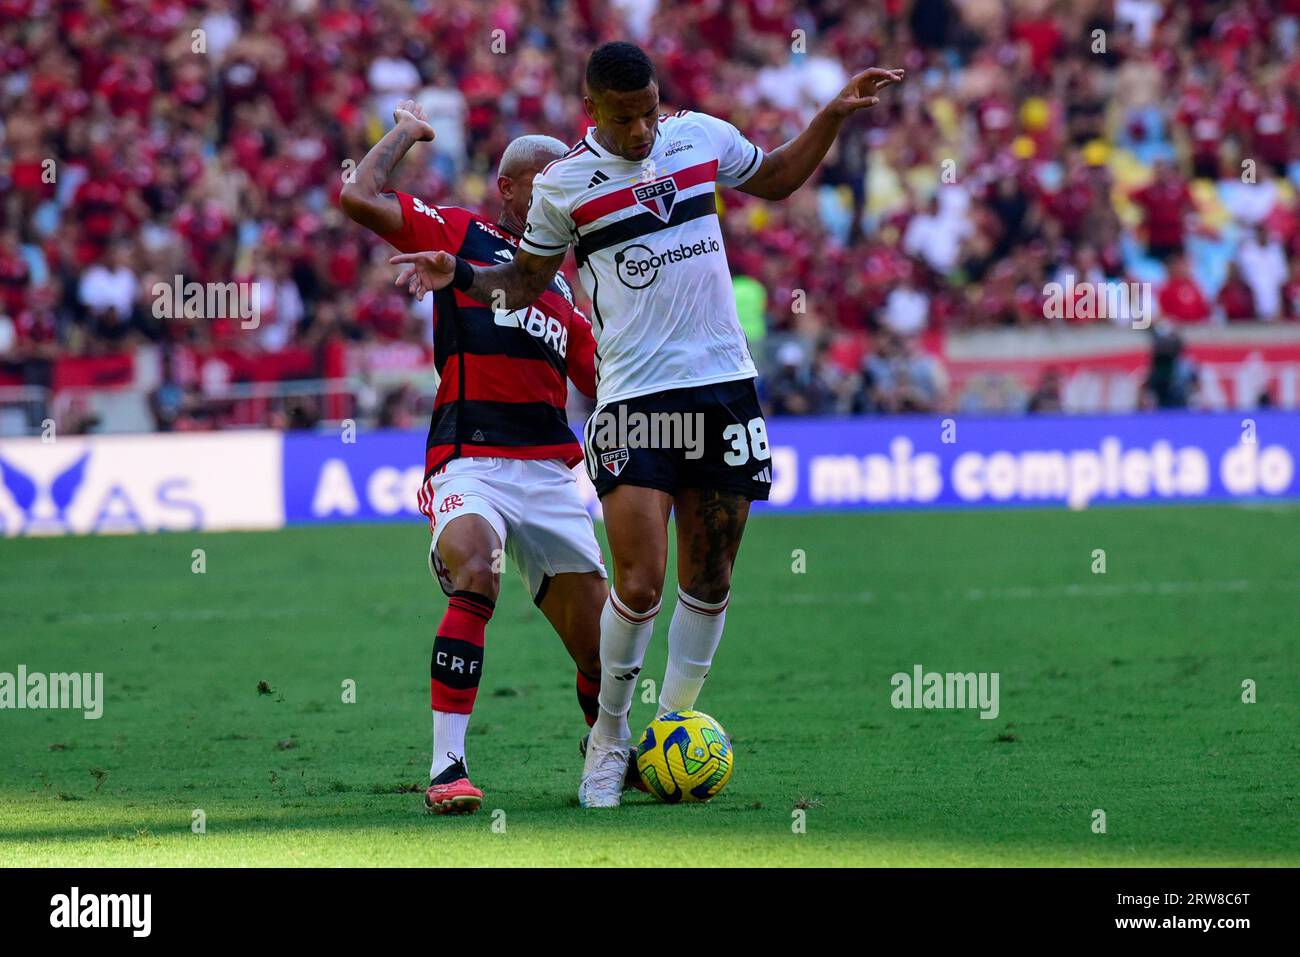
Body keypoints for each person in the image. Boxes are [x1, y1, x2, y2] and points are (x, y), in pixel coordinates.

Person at [388, 43, 904, 808]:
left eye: (650, 111)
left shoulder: (699, 135)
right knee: (637, 581)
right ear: (592, 110)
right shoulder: (564, 184)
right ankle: (608, 741)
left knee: (712, 575)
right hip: (634, 400)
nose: (641, 131)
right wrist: (459, 274)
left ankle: (673, 722)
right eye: (625, 118)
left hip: (723, 387)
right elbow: (526, 282)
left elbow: (780, 177)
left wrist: (829, 115)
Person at [340, 100, 609, 814]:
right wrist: (407, 132)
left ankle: (606, 752)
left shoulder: (564, 287)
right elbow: (357, 196)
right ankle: (447, 767)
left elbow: (606, 383)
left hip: (550, 476)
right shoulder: (463, 231)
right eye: (551, 180)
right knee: (476, 570)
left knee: (605, 656)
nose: (565, 194)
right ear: (512, 188)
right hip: (471, 462)